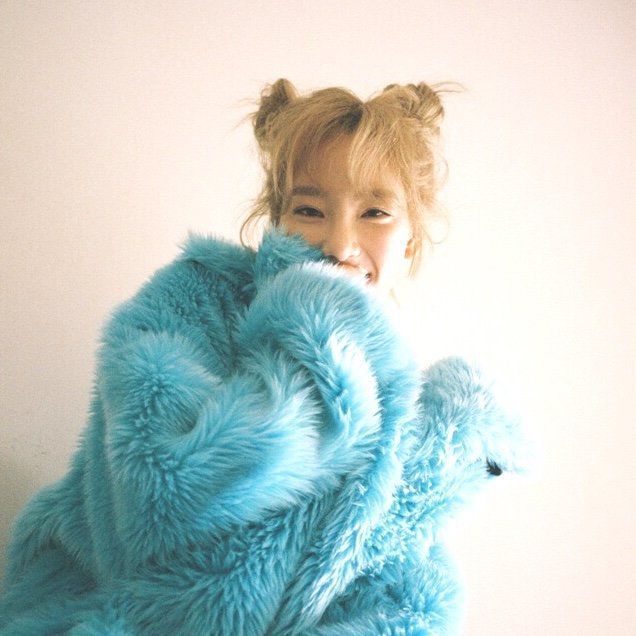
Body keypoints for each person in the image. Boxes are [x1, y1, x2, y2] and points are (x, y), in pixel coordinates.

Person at [0, 80, 526, 634]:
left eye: (374, 212)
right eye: (310, 209)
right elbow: (163, 498)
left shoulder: (396, 387)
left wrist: (449, 447)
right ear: (276, 220)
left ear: (410, 240)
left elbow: (387, 579)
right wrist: (316, 323)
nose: (339, 245)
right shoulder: (188, 303)